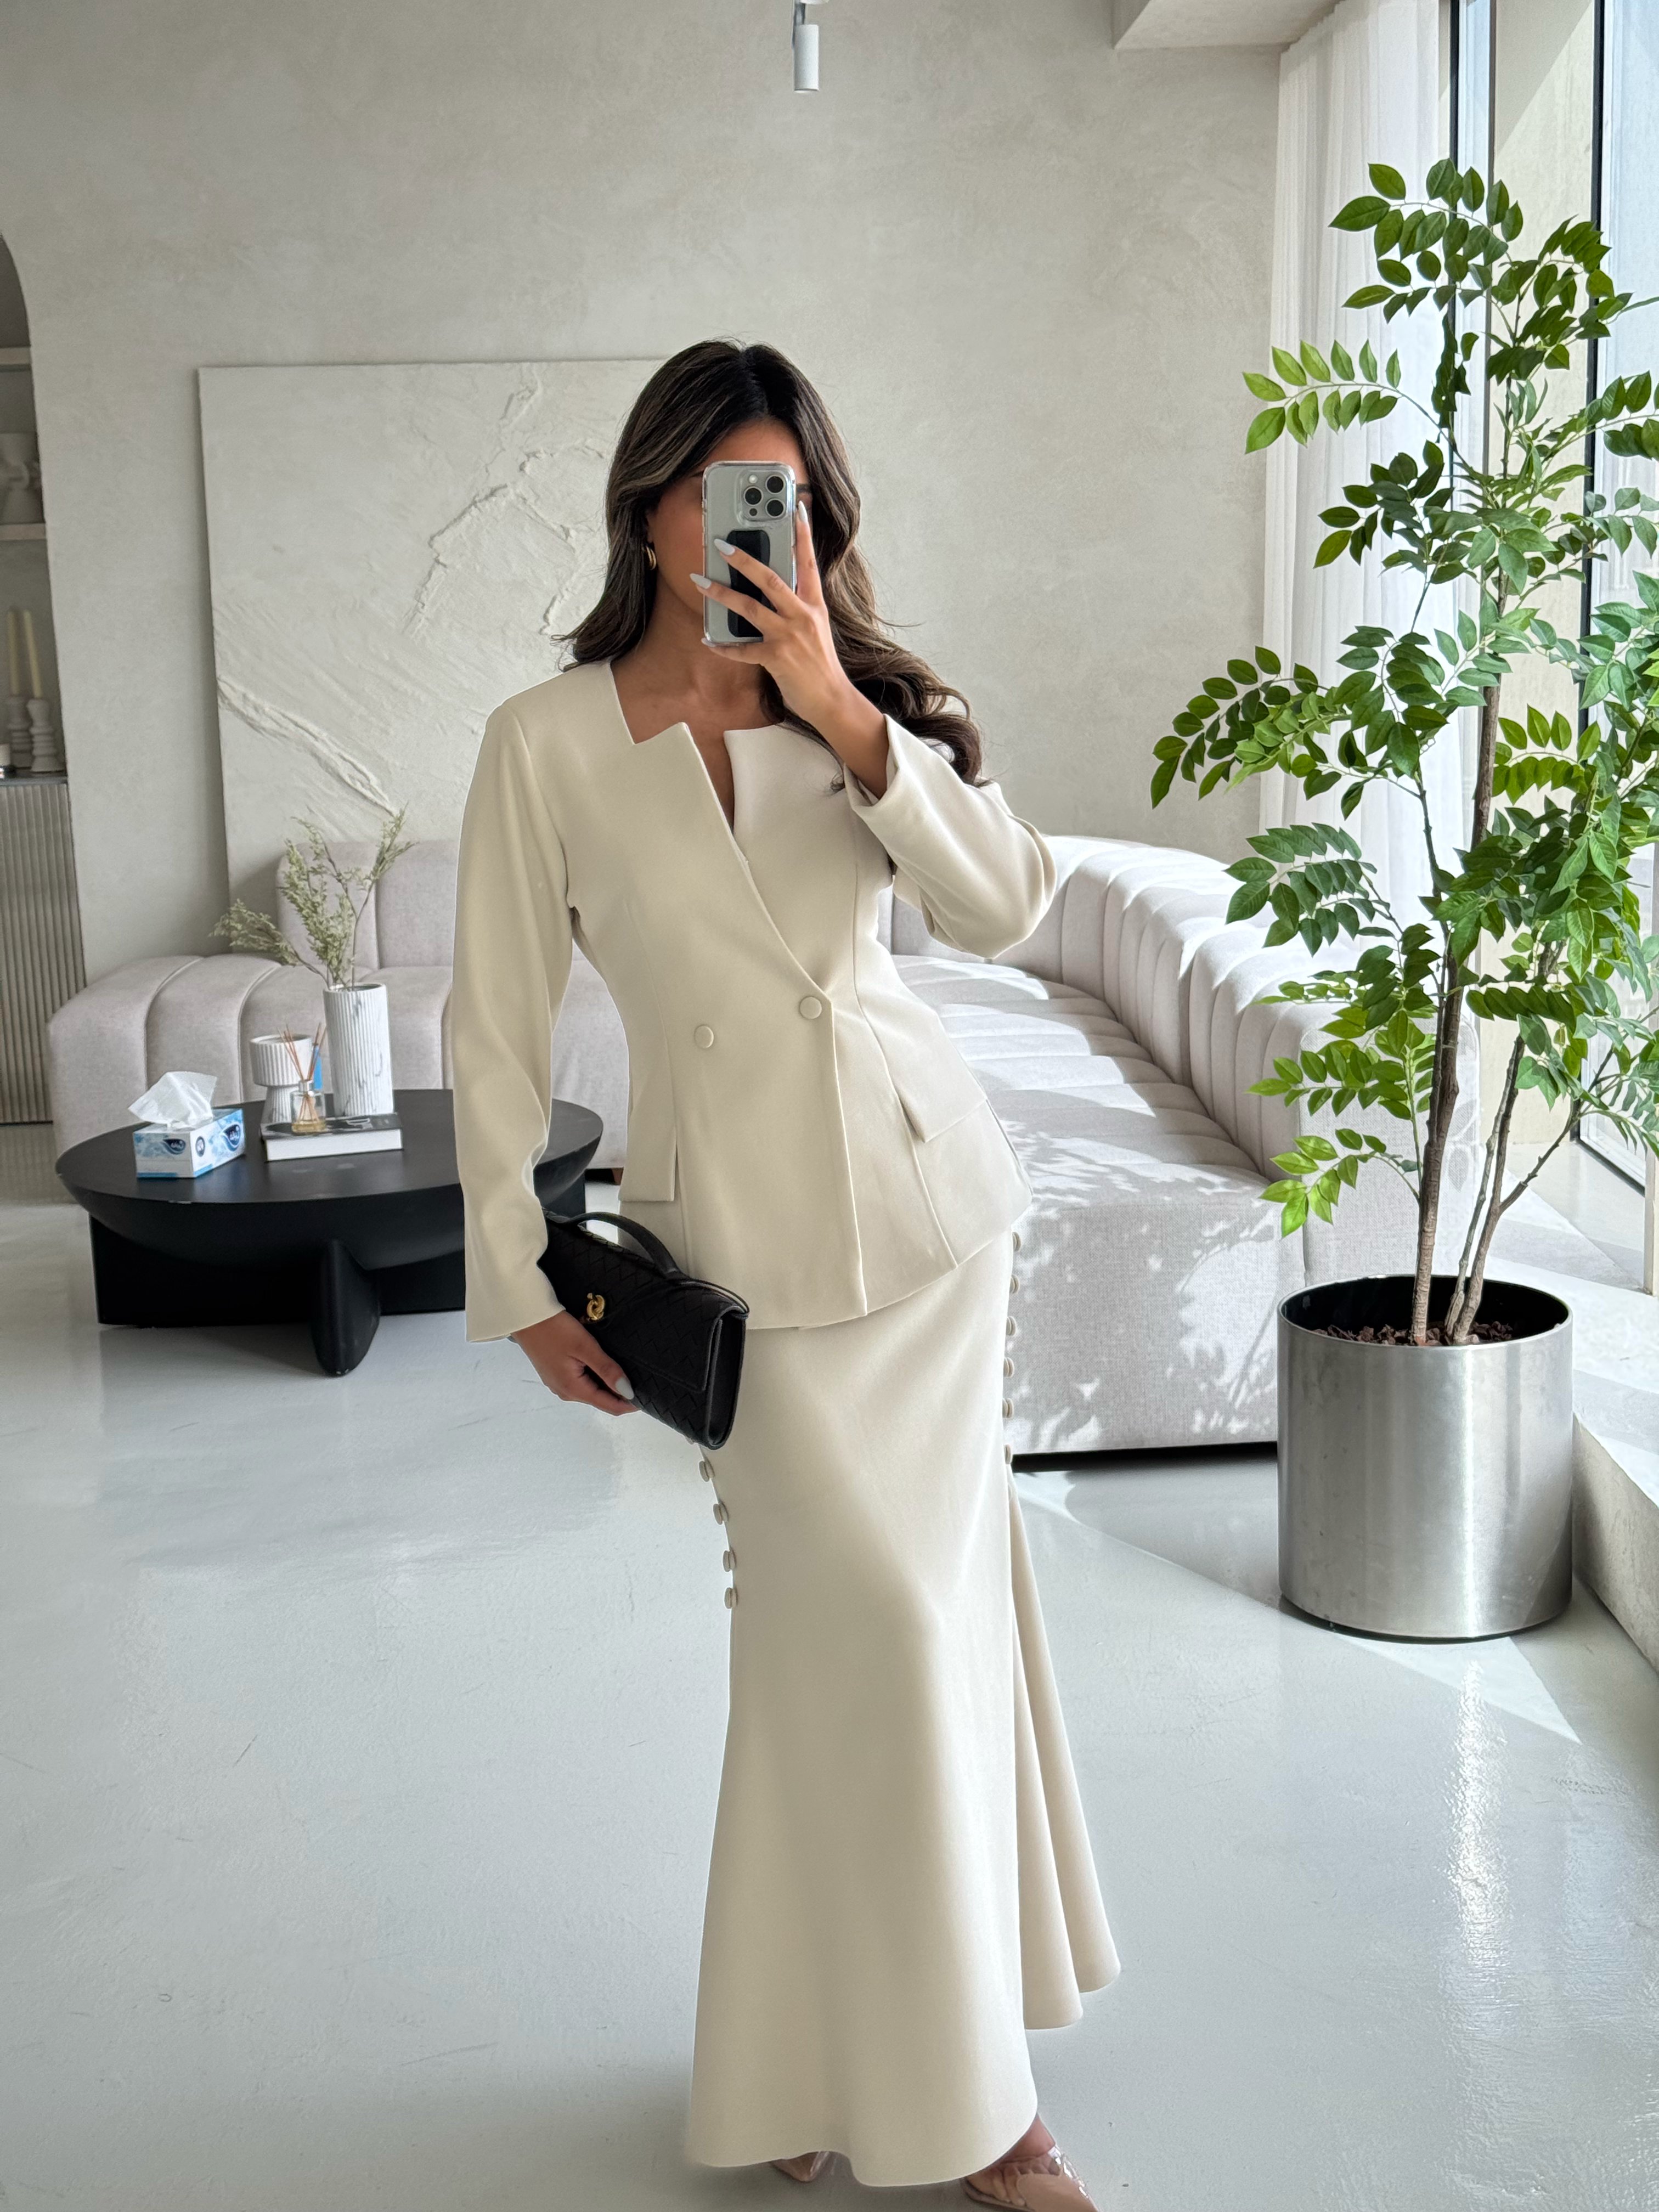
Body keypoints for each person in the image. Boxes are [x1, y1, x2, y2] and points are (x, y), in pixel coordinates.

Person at [449, 338, 1120, 2207]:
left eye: (791, 498)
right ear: (648, 508)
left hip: (927, 1227)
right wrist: (520, 1280)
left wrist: (839, 707)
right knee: (858, 1645)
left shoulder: (861, 711)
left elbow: (1007, 904)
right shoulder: (546, 742)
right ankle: (886, 2073)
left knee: (914, 1640)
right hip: (739, 1271)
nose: (762, 527)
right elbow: (491, 1029)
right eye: (724, 493)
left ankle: (936, 2099)